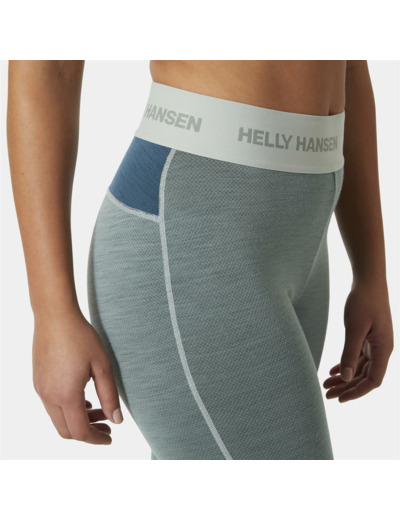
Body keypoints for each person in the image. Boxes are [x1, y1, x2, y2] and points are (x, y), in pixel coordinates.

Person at [7, 60, 394, 459]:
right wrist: (51, 312)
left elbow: (349, 64)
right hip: (187, 242)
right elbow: (48, 66)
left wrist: (371, 273)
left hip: (300, 241)